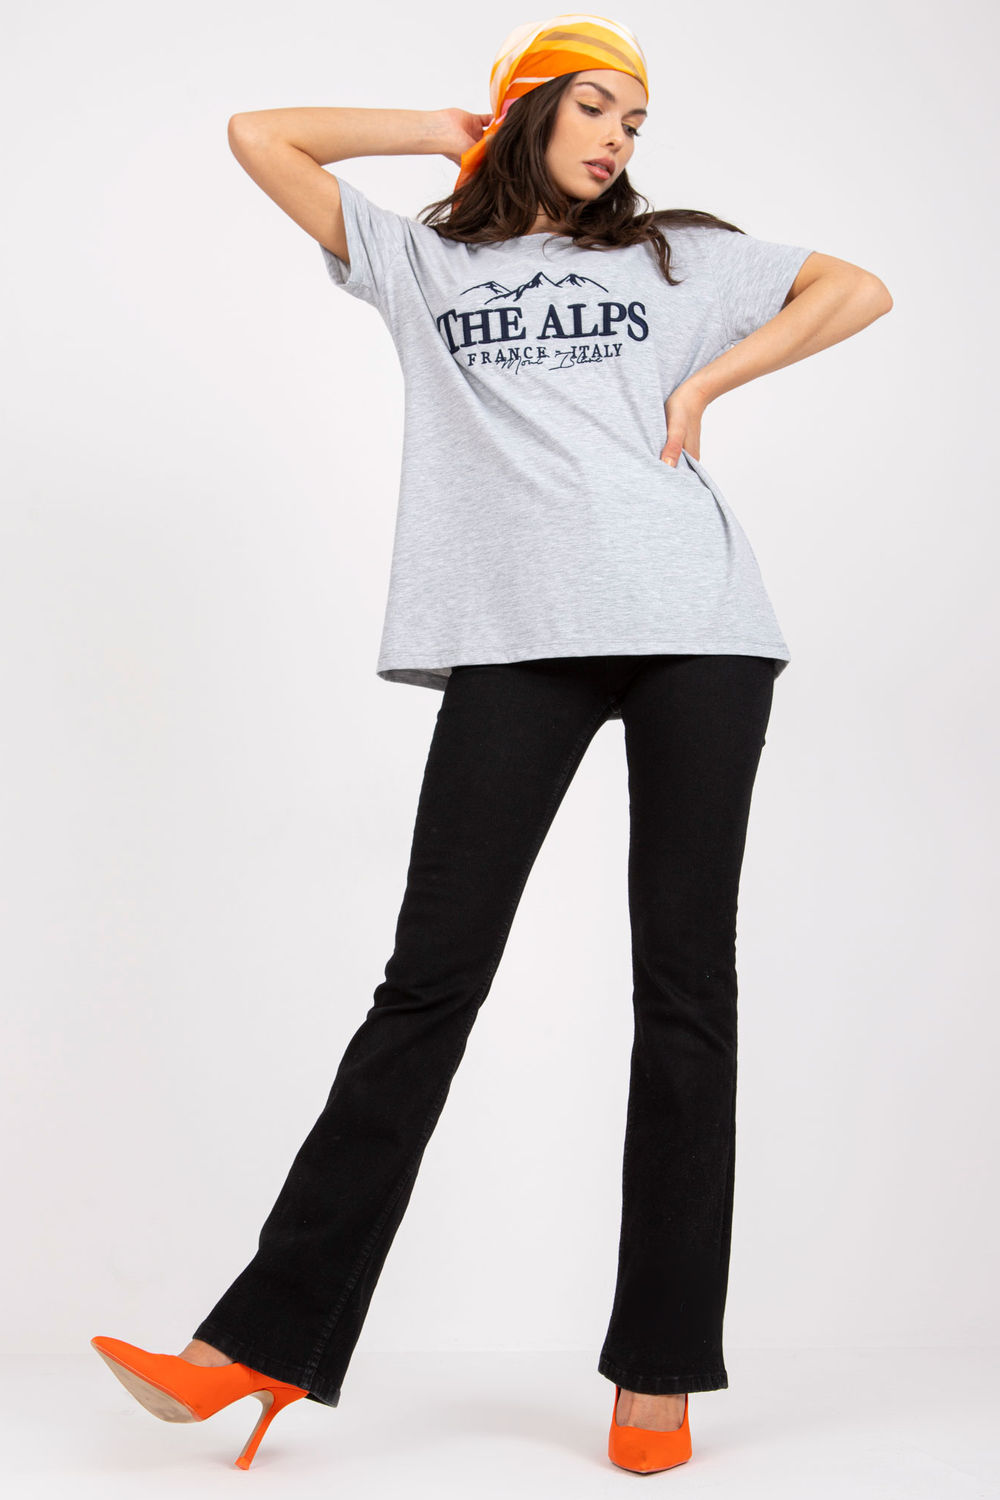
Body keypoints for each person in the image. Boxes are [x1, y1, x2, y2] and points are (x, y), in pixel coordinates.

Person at [90, 12, 892, 1476]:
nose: (619, 139)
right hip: (515, 641)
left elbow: (859, 287)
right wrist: (445, 132)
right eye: (592, 108)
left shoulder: (676, 258)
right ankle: (254, 1347)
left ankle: (658, 1374)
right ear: (528, 111)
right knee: (428, 984)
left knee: (685, 990)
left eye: (635, 121)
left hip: (697, 625)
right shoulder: (424, 264)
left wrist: (706, 385)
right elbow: (260, 137)